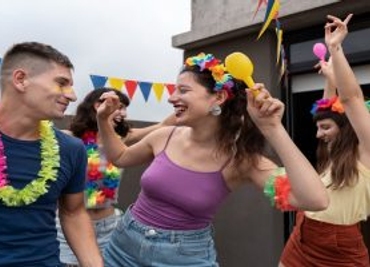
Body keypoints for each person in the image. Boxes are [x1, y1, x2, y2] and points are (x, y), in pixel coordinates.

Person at [97, 52, 329, 266]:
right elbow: (120, 156)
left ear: (218, 97)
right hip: (122, 246)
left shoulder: (241, 161)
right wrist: (104, 120)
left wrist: (273, 128)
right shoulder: (164, 136)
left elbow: (314, 200)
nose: (172, 98)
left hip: (184, 258)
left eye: (183, 90)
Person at [0, 42, 103, 267]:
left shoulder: (72, 149)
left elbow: (73, 213)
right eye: (62, 83)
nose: (72, 96)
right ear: (21, 79)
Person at [280, 14, 370, 267]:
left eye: (326, 128)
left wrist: (336, 48)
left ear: (346, 127)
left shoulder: (366, 152)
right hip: (302, 234)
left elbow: (351, 98)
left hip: (339, 246)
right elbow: (328, 109)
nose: (318, 134)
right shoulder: (336, 153)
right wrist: (330, 80)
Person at [57, 87, 175, 266]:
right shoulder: (71, 139)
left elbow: (162, 126)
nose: (123, 113)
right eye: (119, 107)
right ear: (98, 105)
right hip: (73, 226)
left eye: (124, 108)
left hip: (110, 226)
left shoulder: (120, 139)